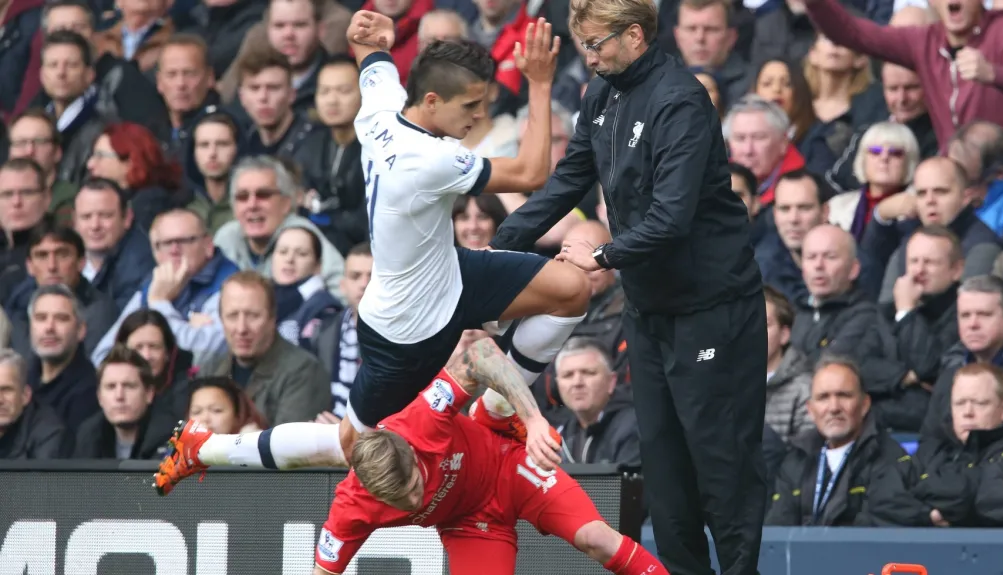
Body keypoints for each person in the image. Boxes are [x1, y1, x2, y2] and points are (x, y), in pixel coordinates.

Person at [488, 0, 767, 573]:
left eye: (596, 45)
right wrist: (499, 246)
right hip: (649, 309)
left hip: (711, 307)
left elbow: (673, 218)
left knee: (721, 466)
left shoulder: (680, 100)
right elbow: (568, 180)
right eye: (583, 46)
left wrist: (603, 255)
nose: (587, 59)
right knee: (664, 474)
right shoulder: (601, 95)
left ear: (635, 35)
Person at [153, 338, 669, 575]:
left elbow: (481, 354)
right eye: (405, 500)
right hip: (470, 526)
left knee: (598, 540)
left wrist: (533, 419)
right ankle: (204, 448)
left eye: (417, 483)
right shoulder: (350, 508)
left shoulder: (421, 420)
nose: (418, 498)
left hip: (510, 471)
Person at [327, 12, 590, 464]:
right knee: (353, 447)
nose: (479, 115)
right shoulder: (431, 159)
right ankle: (212, 448)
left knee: (572, 290)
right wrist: (541, 83)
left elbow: (372, 61)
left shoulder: (379, 110)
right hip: (407, 322)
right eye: (470, 106)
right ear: (431, 101)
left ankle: (496, 410)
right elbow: (531, 171)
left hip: (451, 270)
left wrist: (370, 41)